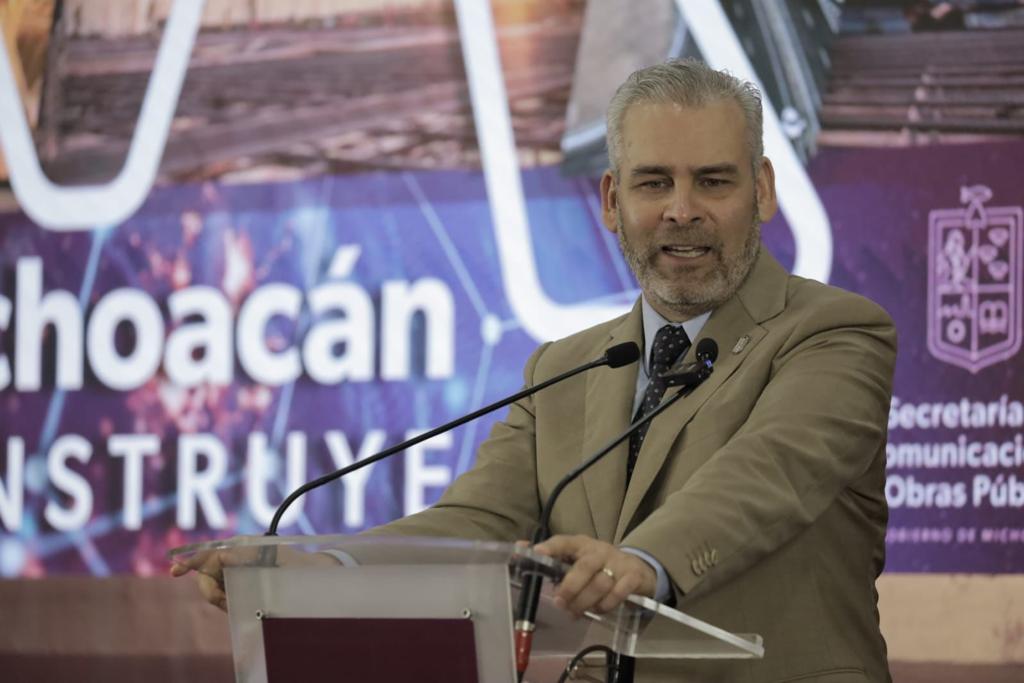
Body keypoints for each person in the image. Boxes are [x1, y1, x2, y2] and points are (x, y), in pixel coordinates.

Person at [173, 59, 896, 683]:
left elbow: (768, 474)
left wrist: (644, 561)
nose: (682, 211)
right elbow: (476, 522)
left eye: (712, 181)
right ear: (612, 201)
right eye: (653, 183)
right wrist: (324, 570)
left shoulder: (836, 332)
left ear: (762, 190)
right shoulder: (566, 367)